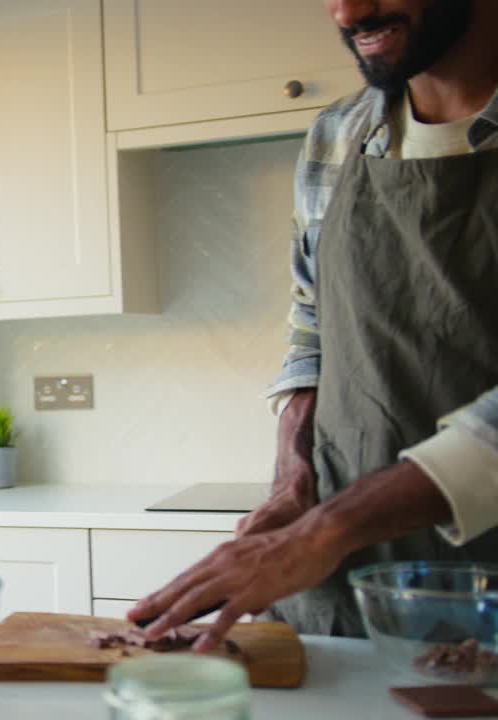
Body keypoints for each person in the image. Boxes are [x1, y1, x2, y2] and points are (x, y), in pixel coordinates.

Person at [129, 0, 498, 651]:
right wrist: (294, 483)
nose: (348, 11)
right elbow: (313, 328)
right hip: (348, 588)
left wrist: (321, 532)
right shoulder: (338, 133)